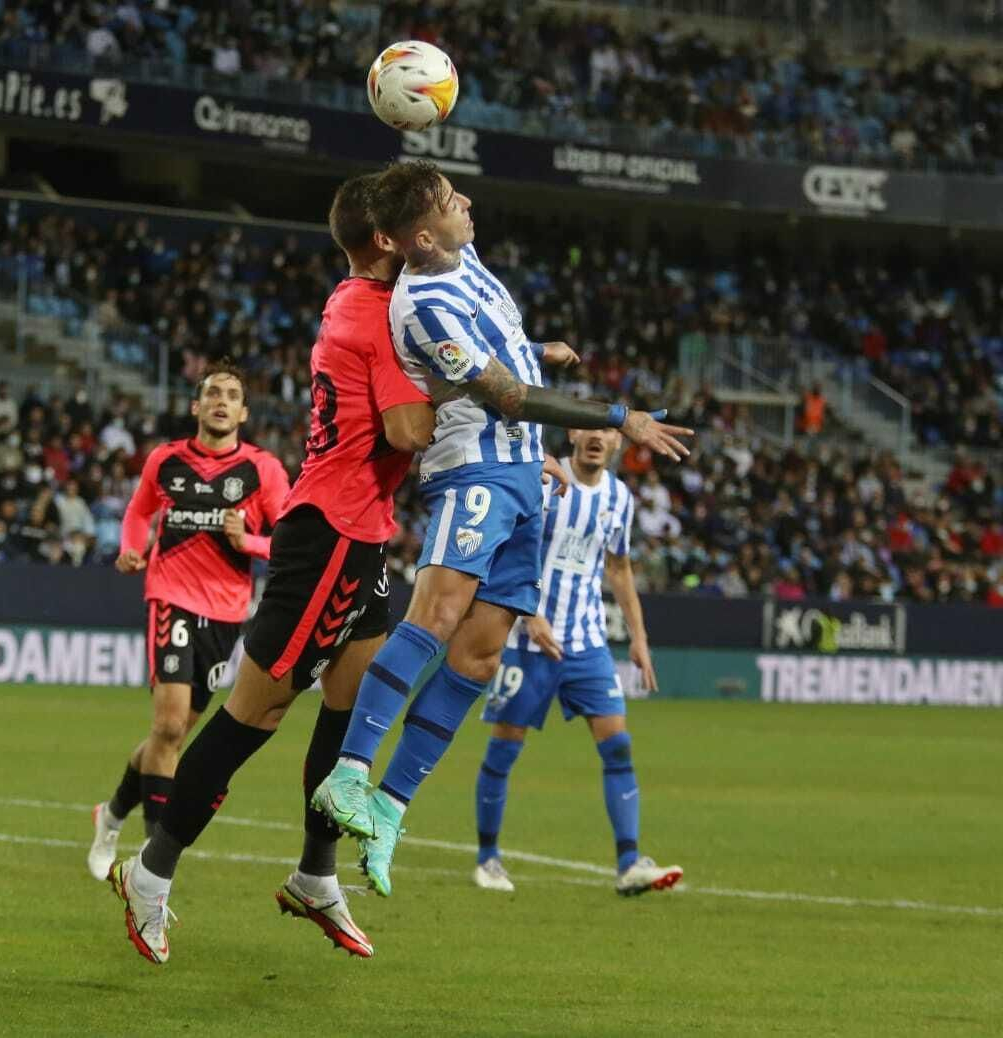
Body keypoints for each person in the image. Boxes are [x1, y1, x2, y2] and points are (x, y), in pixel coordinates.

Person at [310, 159, 693, 898]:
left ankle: (388, 807)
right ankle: (349, 774)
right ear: (421, 236)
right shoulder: (418, 305)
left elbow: (503, 353)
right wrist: (622, 418)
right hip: (475, 467)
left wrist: (533, 347)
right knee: (440, 613)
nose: (469, 203)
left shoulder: (462, 255)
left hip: (524, 477)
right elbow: (508, 397)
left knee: (480, 657)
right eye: (454, 201)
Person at [107, 173, 438, 964]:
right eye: (426, 214)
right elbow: (406, 429)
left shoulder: (359, 300)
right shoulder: (370, 315)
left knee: (351, 708)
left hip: (366, 535)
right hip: (329, 537)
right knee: (251, 717)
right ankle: (149, 870)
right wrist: (478, 390)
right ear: (390, 240)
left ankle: (315, 874)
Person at [87, 363, 290, 878]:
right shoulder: (166, 461)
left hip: (224, 613)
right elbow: (137, 513)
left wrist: (249, 542)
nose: (222, 401)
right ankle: (152, 864)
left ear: (244, 413)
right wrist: (133, 549)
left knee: (170, 739)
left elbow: (288, 539)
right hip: (170, 597)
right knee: (170, 724)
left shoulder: (262, 471)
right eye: (212, 393)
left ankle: (110, 813)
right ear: (196, 407)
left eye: (232, 395)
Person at [472, 428, 682, 896]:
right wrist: (529, 614)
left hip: (587, 643)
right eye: (588, 428)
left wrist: (640, 638)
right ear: (572, 432)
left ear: (616, 443)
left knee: (618, 746)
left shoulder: (619, 498)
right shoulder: (545, 480)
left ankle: (629, 863)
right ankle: (488, 858)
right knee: (505, 748)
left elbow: (620, 569)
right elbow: (505, 547)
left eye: (606, 432)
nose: (595, 438)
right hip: (529, 641)